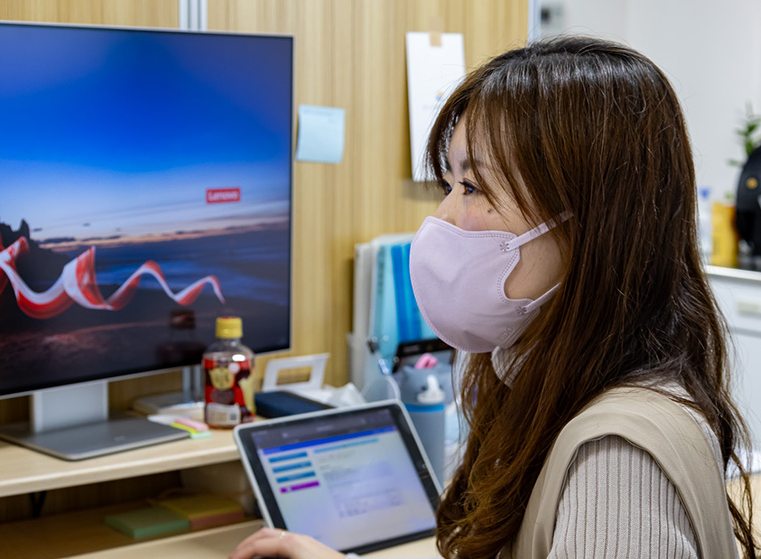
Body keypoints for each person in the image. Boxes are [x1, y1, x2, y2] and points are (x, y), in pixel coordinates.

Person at [229, 37, 757, 559]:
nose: (441, 221)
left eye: (474, 188)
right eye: (450, 186)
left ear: (589, 224)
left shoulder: (617, 460)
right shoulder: (548, 388)